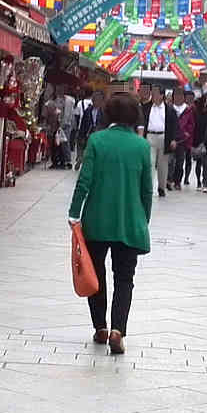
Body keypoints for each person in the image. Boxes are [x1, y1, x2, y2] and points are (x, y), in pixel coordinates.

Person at [68, 92, 153, 355]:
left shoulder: (97, 140)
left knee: (97, 276)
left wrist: (74, 213)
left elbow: (85, 181)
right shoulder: (141, 146)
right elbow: (146, 190)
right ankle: (119, 330)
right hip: (129, 222)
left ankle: (100, 327)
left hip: (97, 221)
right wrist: (143, 218)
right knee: (125, 277)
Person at [142, 88, 170, 198]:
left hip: (163, 137)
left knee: (163, 164)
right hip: (150, 136)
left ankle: (161, 187)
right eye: (152, 93)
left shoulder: (168, 109)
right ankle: (149, 187)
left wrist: (173, 139)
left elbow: (172, 125)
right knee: (150, 162)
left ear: (162, 95)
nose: (153, 95)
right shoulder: (147, 107)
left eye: (155, 93)